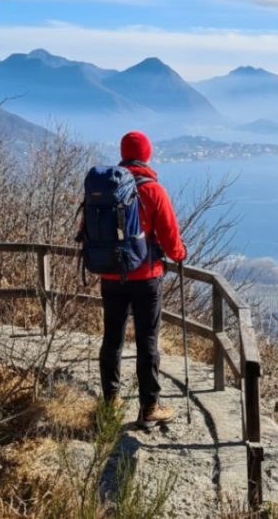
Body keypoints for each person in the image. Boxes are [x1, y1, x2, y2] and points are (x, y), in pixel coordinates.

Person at [99, 130, 187, 429]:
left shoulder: (108, 187)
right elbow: (171, 239)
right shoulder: (153, 190)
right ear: (147, 155)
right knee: (147, 341)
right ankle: (149, 406)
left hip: (111, 274)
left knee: (112, 338)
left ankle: (110, 401)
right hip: (146, 278)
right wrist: (179, 254)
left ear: (124, 154)